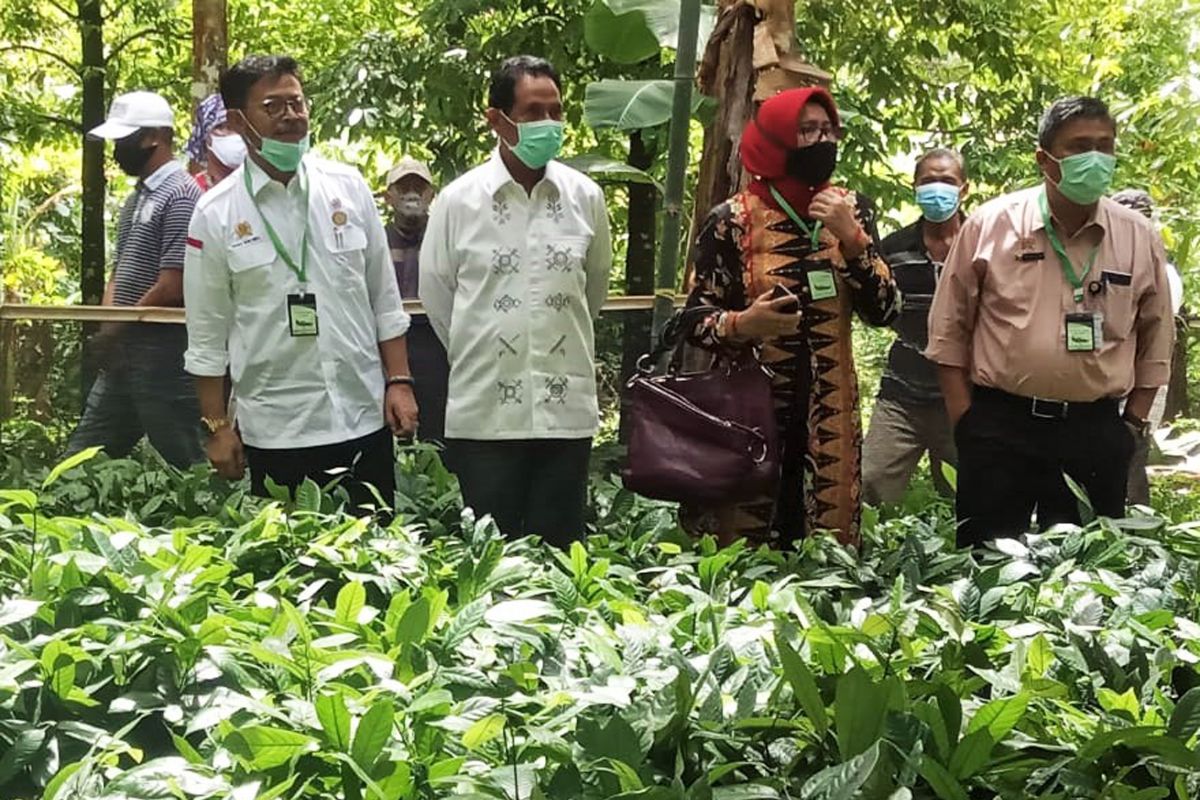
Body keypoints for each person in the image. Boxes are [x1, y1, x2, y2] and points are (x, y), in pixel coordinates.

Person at [927, 97, 1175, 547]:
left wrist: (1132, 425)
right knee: (988, 568)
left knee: (1087, 576)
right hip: (1001, 425)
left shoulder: (1137, 236)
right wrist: (966, 420)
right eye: (1079, 147)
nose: (1095, 158)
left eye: (1105, 145)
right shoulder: (991, 224)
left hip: (1095, 431)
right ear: (1045, 159)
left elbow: (1157, 335)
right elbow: (949, 328)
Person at [183, 55, 418, 510]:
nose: (291, 116)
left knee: (375, 566)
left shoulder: (348, 190)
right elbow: (207, 335)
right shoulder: (215, 214)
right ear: (237, 120)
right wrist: (217, 425)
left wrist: (400, 382)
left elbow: (384, 300)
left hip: (360, 418)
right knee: (288, 573)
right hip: (275, 430)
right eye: (273, 106)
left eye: (297, 103)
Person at [682, 86, 900, 548]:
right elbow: (694, 319)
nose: (822, 141)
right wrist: (743, 324)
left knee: (828, 555)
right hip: (748, 412)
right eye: (807, 130)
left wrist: (854, 240)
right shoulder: (731, 220)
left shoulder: (852, 209)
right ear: (776, 139)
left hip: (830, 412)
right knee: (743, 554)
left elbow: (886, 311)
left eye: (828, 130)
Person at [420, 55, 613, 546]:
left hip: (563, 411)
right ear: (496, 119)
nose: (547, 124)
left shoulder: (585, 197)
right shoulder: (457, 202)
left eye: (555, 110)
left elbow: (591, 293)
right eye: (532, 112)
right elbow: (439, 299)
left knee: (560, 551)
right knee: (489, 555)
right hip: (485, 414)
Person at [65, 90, 204, 468]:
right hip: (125, 355)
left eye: (123, 139)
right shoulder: (138, 198)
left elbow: (173, 284)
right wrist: (107, 326)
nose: (116, 149)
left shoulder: (182, 195)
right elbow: (121, 270)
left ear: (153, 137)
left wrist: (114, 330)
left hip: (164, 360)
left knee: (190, 461)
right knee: (80, 461)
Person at [862, 148, 967, 505]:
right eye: (929, 181)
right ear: (915, 188)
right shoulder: (893, 249)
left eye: (948, 181)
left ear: (964, 189)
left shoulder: (982, 244)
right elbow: (876, 311)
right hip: (901, 395)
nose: (938, 189)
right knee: (869, 485)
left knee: (966, 498)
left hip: (963, 398)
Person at [1110, 189, 1185, 505]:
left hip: (1145, 377)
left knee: (1133, 447)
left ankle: (1136, 529)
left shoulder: (1164, 272)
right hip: (1109, 376)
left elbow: (1157, 331)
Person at [384, 157, 450, 445]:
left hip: (438, 344)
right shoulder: (376, 239)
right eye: (403, 187)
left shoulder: (446, 238)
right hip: (390, 345)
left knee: (438, 429)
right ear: (389, 197)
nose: (411, 193)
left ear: (431, 195)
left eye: (419, 187)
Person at [185, 94, 247, 190]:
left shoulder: (261, 188)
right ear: (206, 137)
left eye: (238, 126)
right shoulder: (190, 192)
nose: (235, 134)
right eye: (224, 127)